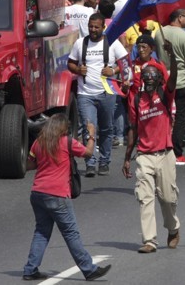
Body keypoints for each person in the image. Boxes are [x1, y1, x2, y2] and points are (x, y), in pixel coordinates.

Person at [21, 115, 111, 281]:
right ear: (62, 128)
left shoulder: (39, 142)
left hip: (38, 193)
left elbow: (30, 164)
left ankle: (30, 269)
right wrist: (91, 134)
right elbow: (88, 153)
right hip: (58, 195)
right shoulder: (66, 142)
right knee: (71, 233)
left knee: (41, 232)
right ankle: (89, 269)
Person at [122, 55, 181, 254]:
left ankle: (173, 229)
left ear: (159, 79)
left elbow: (173, 79)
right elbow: (133, 129)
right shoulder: (137, 100)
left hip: (165, 154)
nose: (147, 80)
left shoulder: (165, 94)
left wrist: (172, 55)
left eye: (151, 77)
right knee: (145, 198)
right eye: (145, 77)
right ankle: (150, 240)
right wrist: (127, 157)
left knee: (167, 199)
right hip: (144, 155)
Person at [67, 13, 127, 176]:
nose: (93, 30)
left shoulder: (112, 43)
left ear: (103, 27)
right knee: (89, 128)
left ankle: (104, 161)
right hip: (85, 94)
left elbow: (125, 62)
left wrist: (113, 70)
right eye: (90, 27)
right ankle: (90, 162)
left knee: (107, 128)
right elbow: (70, 63)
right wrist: (78, 70)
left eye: (96, 27)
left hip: (107, 93)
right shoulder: (80, 43)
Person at [157, 9, 185, 166]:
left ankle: (163, 148)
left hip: (164, 81)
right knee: (180, 118)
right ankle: (177, 152)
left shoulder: (159, 33)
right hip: (182, 82)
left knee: (166, 117)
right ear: (180, 18)